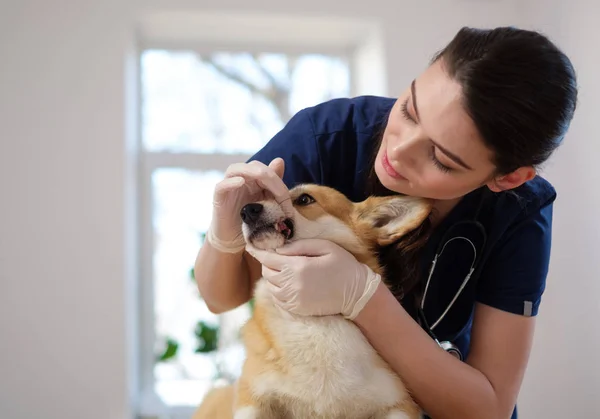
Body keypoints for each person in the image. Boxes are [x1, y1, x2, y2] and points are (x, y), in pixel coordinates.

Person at [194, 26, 578, 419]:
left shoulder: (519, 211)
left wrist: (365, 300)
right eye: (410, 110)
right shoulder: (325, 137)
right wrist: (223, 233)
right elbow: (220, 297)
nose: (399, 149)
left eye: (442, 159)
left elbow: (488, 409)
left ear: (508, 178)